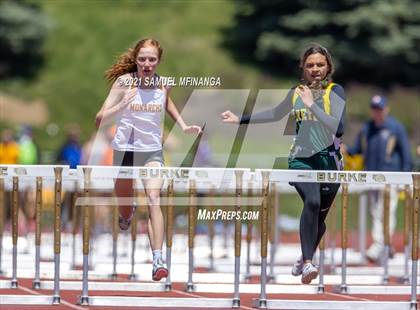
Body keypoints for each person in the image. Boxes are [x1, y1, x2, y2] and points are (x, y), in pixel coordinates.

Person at [221, 43, 346, 284]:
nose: (315, 69)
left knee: (319, 219)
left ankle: (304, 254)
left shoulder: (335, 91)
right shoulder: (297, 92)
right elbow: (275, 114)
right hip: (301, 159)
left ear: (328, 66)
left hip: (329, 161)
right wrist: (240, 120)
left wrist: (312, 104)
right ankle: (309, 263)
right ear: (303, 68)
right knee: (311, 201)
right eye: (310, 65)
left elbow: (339, 127)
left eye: (320, 64)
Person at [95, 38, 202, 281]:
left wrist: (183, 125)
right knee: (124, 205)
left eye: (152, 59)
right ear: (136, 59)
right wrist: (122, 104)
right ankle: (126, 212)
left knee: (154, 198)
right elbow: (100, 118)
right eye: (142, 59)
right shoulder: (124, 82)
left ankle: (158, 259)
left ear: (159, 61)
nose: (147, 63)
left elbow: (166, 103)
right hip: (124, 151)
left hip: (152, 152)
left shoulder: (163, 84)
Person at [343, 95, 412, 263]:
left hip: (391, 177)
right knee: (375, 212)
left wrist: (405, 176)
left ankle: (380, 245)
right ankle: (385, 245)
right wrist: (346, 149)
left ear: (386, 109)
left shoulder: (396, 127)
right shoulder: (367, 128)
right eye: (374, 109)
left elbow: (405, 154)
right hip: (371, 177)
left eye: (380, 109)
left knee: (386, 211)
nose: (377, 112)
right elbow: (358, 149)